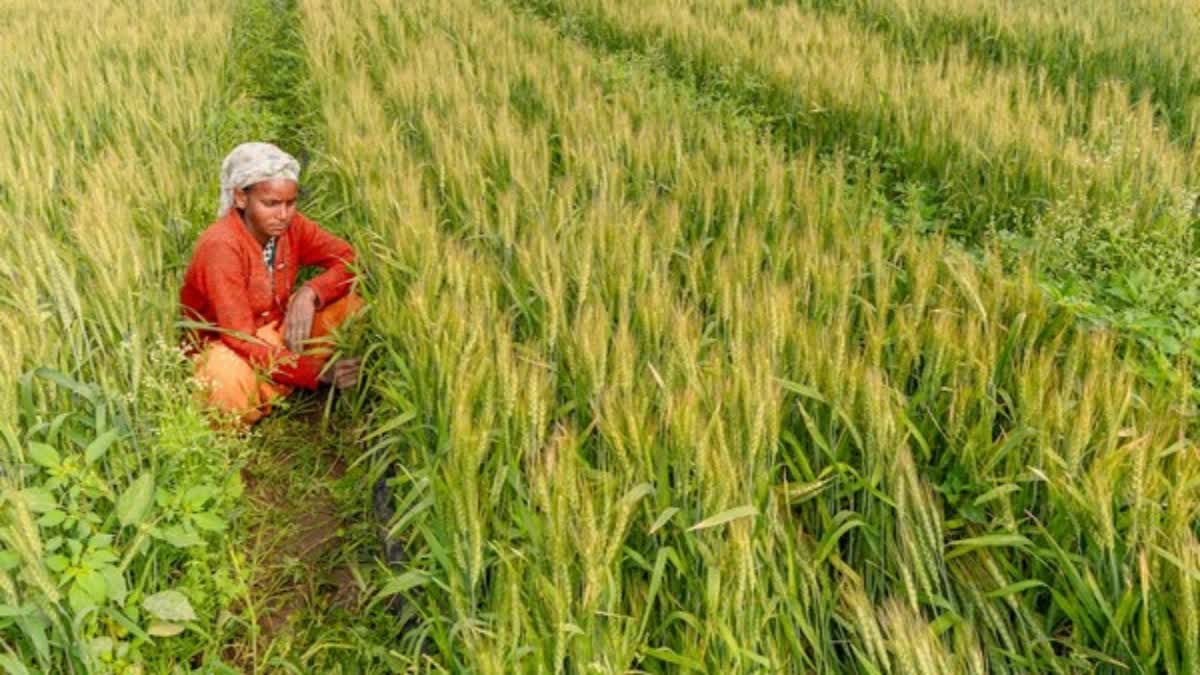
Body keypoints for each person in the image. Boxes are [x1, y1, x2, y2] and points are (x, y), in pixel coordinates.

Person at [181, 142, 364, 425]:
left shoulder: (292, 226)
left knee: (353, 303)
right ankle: (284, 383)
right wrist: (317, 372)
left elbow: (349, 259)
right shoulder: (221, 246)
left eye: (290, 203)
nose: (283, 214)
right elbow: (239, 338)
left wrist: (310, 293)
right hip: (230, 348)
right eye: (271, 204)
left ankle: (276, 383)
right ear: (241, 198)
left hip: (277, 331)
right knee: (223, 381)